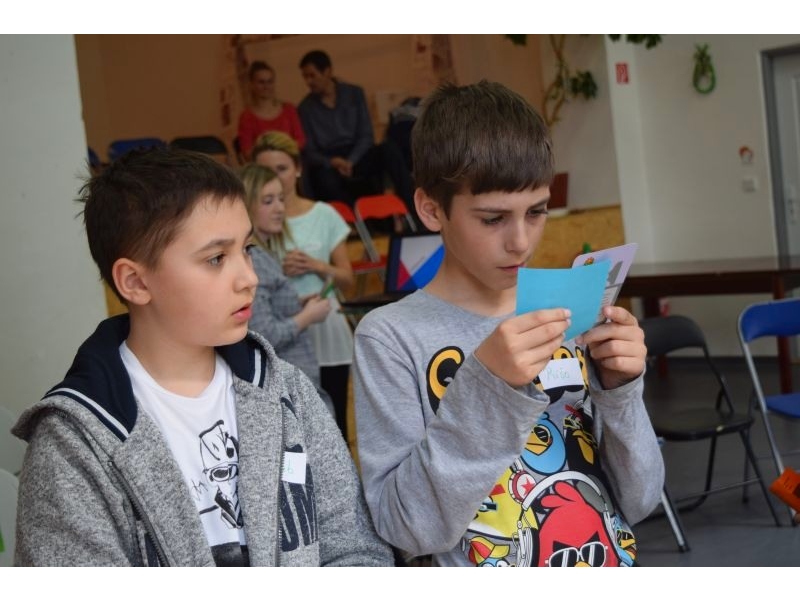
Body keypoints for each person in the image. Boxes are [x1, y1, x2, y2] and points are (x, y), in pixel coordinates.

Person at [11, 147, 393, 567]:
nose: (249, 278)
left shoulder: (289, 391)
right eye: (215, 258)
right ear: (136, 282)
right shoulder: (72, 445)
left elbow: (356, 551)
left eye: (247, 249)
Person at [354, 81, 664, 567]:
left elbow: (641, 499)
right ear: (431, 209)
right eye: (492, 218)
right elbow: (406, 529)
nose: (521, 241)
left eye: (536, 212)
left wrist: (620, 391)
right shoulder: (390, 336)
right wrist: (489, 387)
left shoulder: (566, 306)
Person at [252, 131, 355, 442]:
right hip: (289, 333)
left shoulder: (322, 214)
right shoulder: (260, 229)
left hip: (323, 321)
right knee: (301, 429)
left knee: (334, 421)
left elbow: (349, 282)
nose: (276, 177)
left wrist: (317, 266)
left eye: (282, 169)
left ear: (297, 169)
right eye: (266, 171)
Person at [239, 163, 333, 411]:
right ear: (247, 206)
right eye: (268, 201)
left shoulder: (263, 255)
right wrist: (307, 316)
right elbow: (264, 335)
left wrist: (299, 305)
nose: (280, 208)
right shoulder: (255, 259)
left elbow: (266, 310)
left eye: (281, 199)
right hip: (286, 393)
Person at [297, 50, 415, 221]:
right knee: (322, 178)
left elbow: (366, 135)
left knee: (389, 150)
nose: (308, 82)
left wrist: (351, 160)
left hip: (357, 153)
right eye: (305, 77)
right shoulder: (305, 108)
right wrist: (332, 162)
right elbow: (309, 151)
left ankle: (413, 211)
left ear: (327, 71)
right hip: (330, 160)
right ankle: (359, 222)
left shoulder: (354, 93)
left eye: (312, 75)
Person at [237, 60, 305, 160]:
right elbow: (247, 152)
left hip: (290, 161)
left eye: (270, 81)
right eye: (261, 82)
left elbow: (300, 140)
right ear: (251, 84)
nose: (266, 86)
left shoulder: (289, 109)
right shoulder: (247, 117)